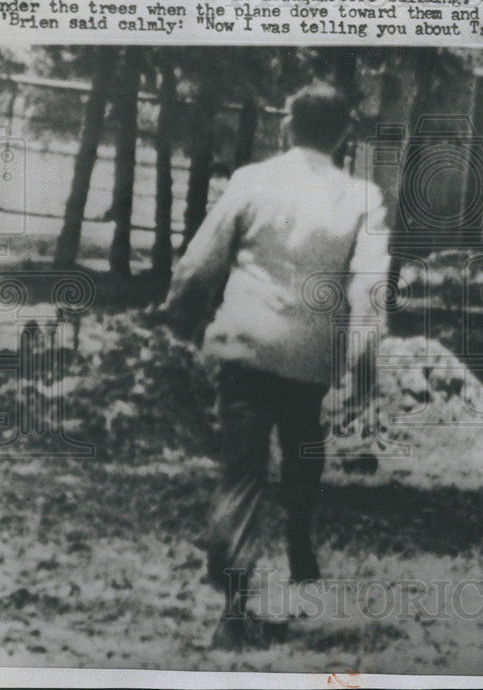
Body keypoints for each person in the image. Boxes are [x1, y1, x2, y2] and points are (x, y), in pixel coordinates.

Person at [161, 82, 389, 648]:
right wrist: (363, 360)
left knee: (242, 473)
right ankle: (299, 538)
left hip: (246, 346)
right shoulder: (363, 197)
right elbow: (371, 288)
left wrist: (178, 323)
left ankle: (234, 610)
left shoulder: (251, 181)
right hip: (311, 356)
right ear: (343, 136)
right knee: (304, 451)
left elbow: (199, 264)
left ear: (286, 125)